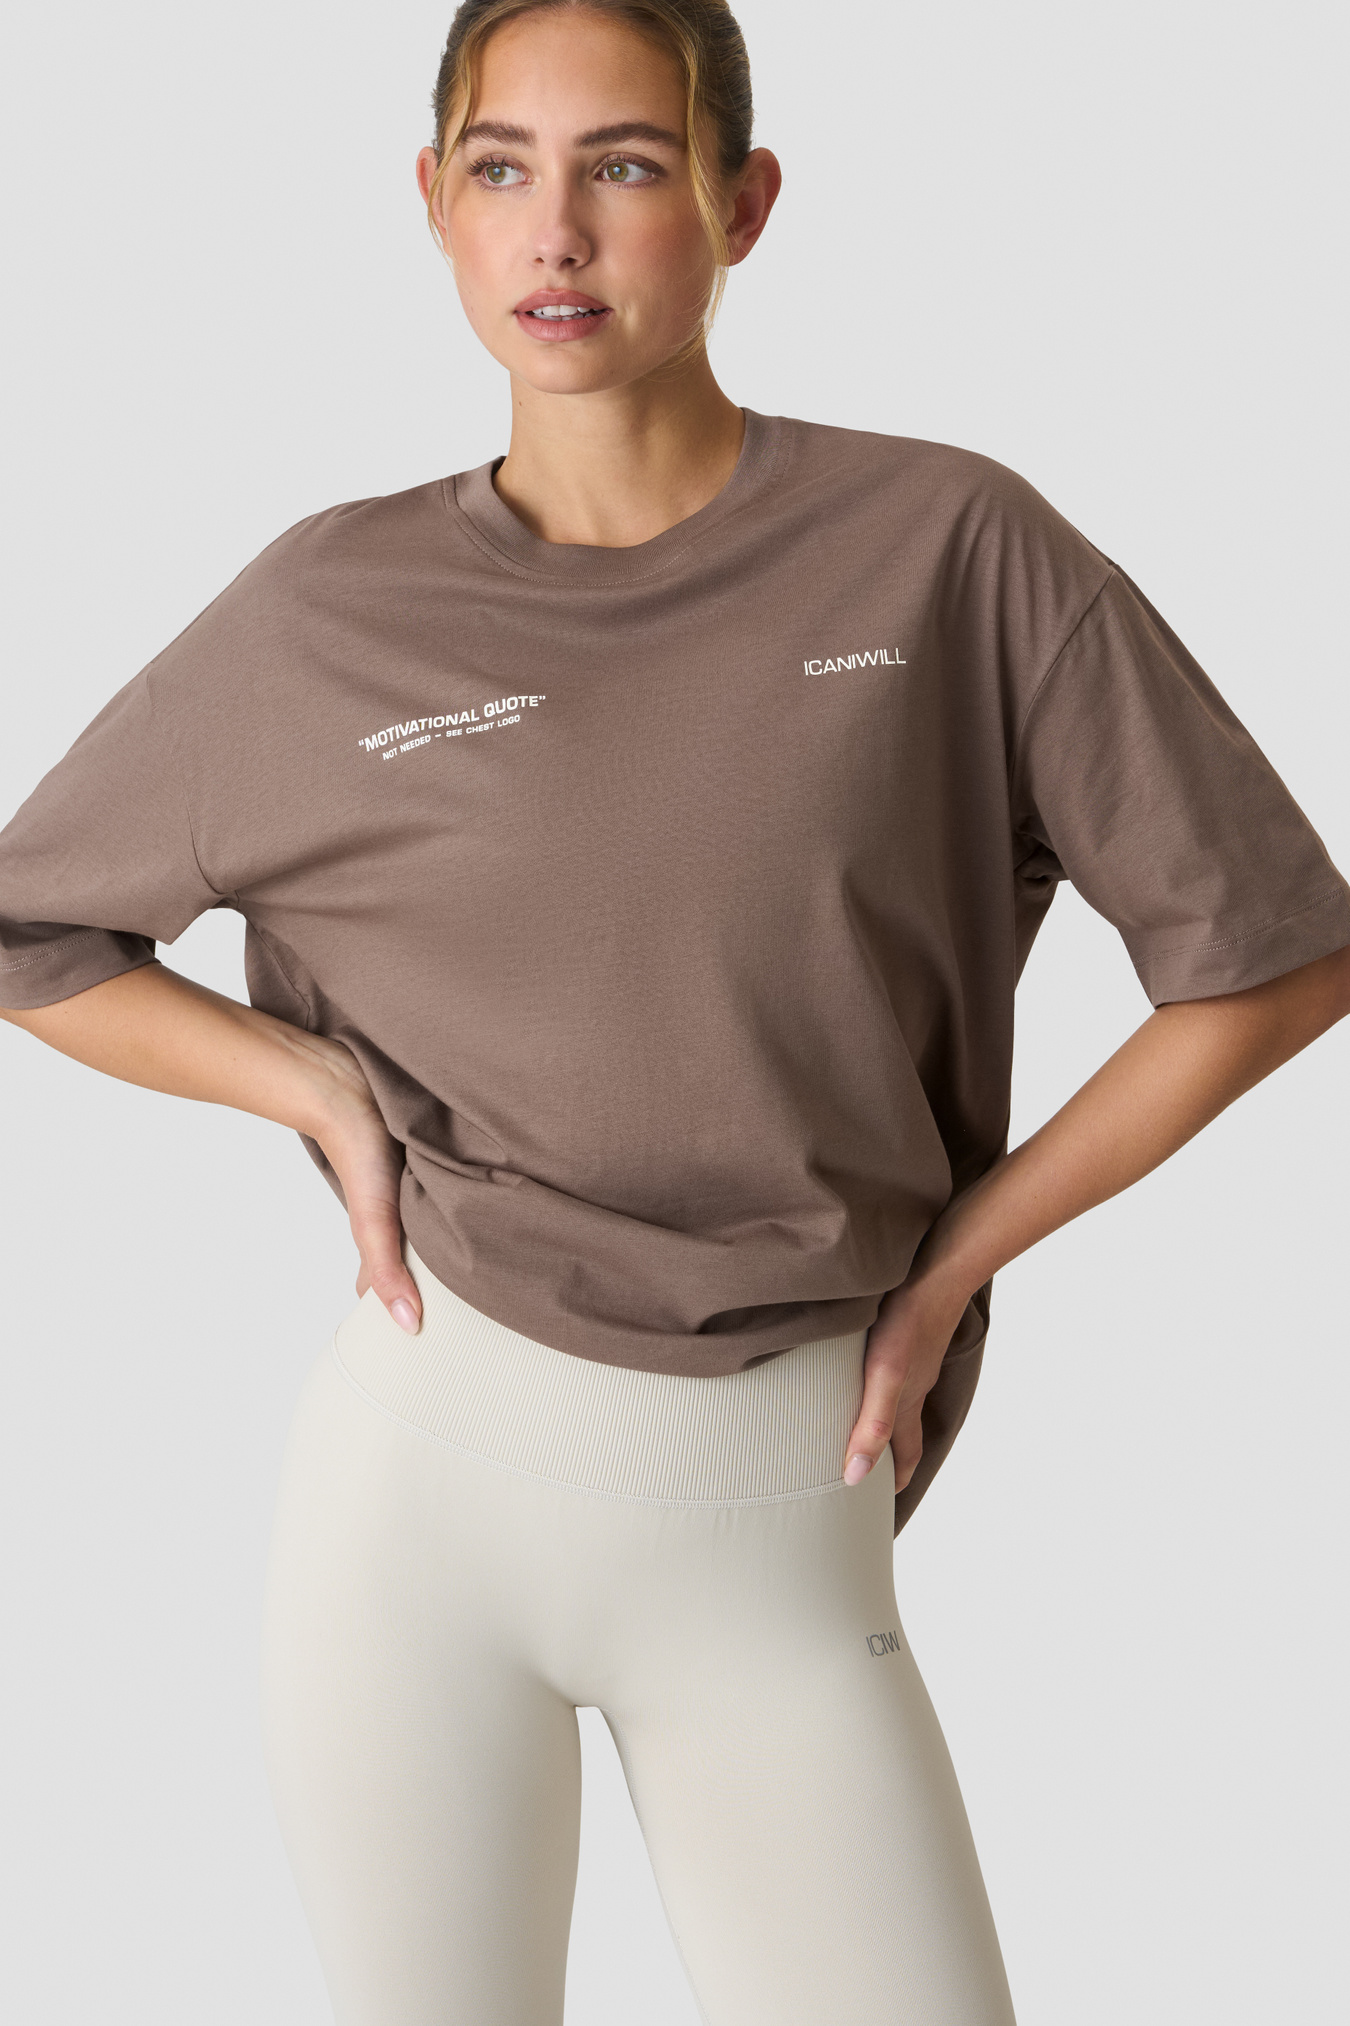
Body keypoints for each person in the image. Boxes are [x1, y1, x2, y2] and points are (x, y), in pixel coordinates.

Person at [1, 1, 1347, 2019]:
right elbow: (33, 927)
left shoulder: (947, 549)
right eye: (502, 168)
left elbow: (1270, 952)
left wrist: (960, 1256)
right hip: (413, 1501)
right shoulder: (323, 609)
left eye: (625, 165)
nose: (556, 230)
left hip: (784, 1510)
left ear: (743, 201)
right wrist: (310, 1086)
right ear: (434, 204)